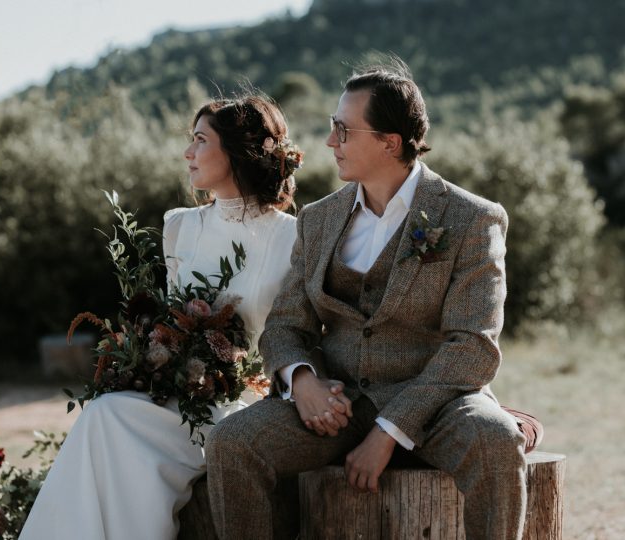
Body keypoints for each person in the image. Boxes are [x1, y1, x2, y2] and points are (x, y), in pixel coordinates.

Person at [206, 61, 540, 539]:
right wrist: (303, 382)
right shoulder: (319, 220)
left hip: (438, 404)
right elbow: (285, 327)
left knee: (496, 439)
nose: (329, 142)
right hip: (338, 404)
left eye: (343, 130)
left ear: (390, 142)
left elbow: (473, 347)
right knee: (232, 442)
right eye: (331, 127)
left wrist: (389, 431)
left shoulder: (471, 218)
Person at [19, 94, 300, 540]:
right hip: (178, 394)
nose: (188, 152)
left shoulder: (293, 236)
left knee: (114, 422)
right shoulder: (179, 226)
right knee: (102, 413)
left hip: (246, 403)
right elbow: (172, 316)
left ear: (237, 152)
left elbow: (296, 332)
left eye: (200, 140)